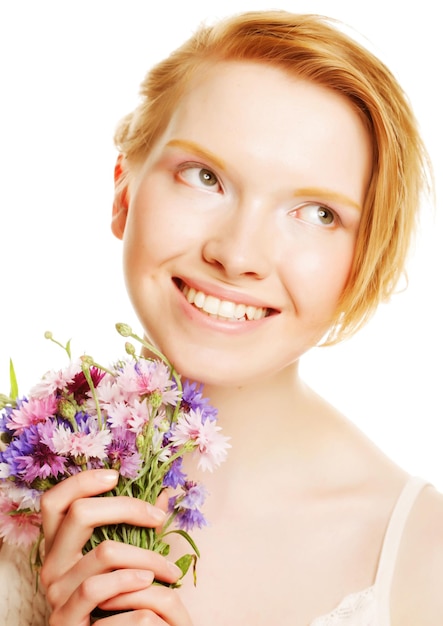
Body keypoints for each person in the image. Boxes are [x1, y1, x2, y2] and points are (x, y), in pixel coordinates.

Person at [1, 8, 442, 625]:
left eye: (316, 212)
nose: (236, 255)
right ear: (124, 190)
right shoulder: (17, 492)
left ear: (362, 262)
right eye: (205, 177)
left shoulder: (426, 560)